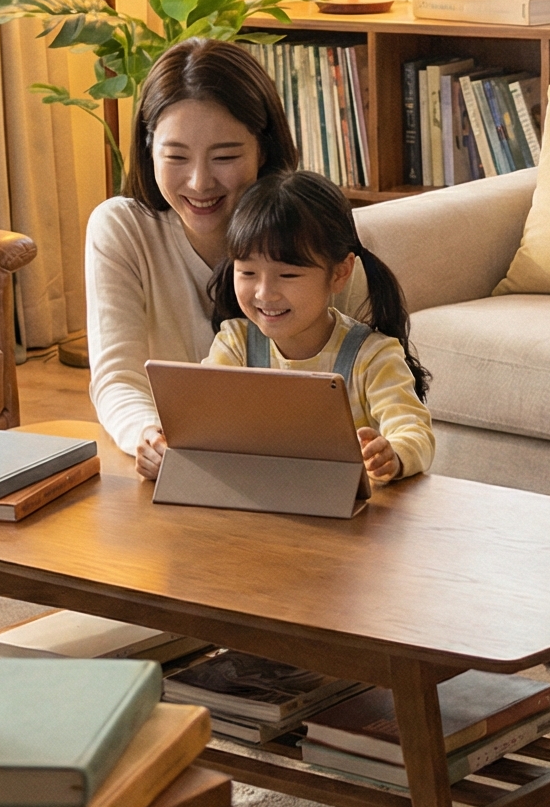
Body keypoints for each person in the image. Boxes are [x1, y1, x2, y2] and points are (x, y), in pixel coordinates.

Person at [87, 39, 366, 478]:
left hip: (295, 472)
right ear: (148, 150)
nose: (199, 182)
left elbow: (354, 375)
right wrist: (149, 434)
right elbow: (118, 379)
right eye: (176, 156)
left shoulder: (308, 230)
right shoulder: (122, 229)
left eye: (226, 156)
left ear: (264, 149)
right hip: (181, 468)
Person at [206, 171, 434, 486]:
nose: (264, 293)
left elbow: (414, 431)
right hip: (258, 504)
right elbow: (203, 422)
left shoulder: (372, 357)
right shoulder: (234, 345)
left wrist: (393, 453)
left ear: (340, 273)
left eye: (287, 275)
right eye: (247, 272)